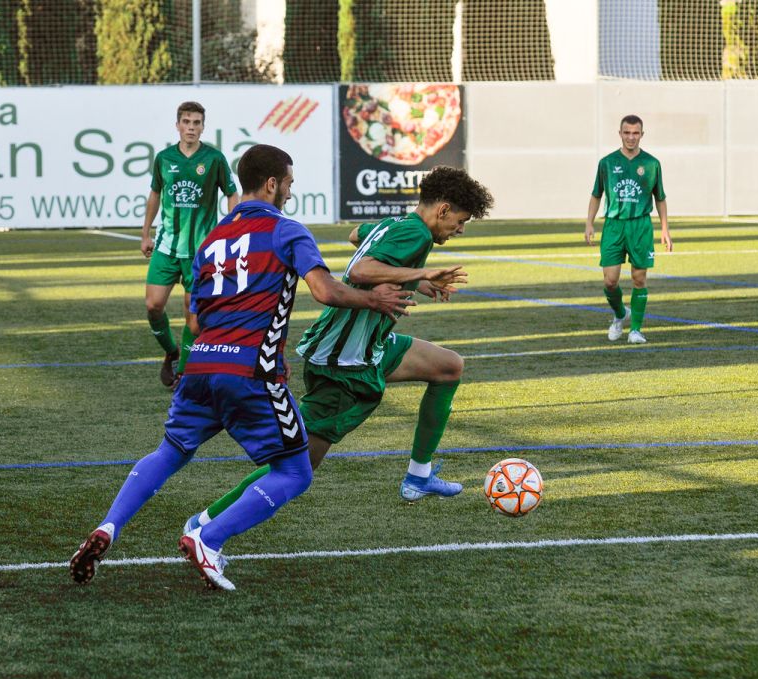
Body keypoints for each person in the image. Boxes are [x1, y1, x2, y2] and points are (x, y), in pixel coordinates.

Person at [70, 144, 415, 591]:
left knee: (170, 452)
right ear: (272, 183)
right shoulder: (287, 230)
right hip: (250, 371)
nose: (290, 192)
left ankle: (108, 527)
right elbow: (325, 291)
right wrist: (374, 298)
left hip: (198, 368)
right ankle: (208, 538)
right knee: (295, 472)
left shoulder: (212, 238)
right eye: (288, 184)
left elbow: (194, 317)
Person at [181, 166, 494, 534]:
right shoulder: (417, 235)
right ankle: (203, 524)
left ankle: (418, 476)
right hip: (344, 361)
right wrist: (420, 274)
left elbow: (355, 234)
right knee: (297, 466)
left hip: (369, 346)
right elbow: (361, 269)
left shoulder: (397, 222)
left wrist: (411, 277)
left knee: (448, 367)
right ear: (442, 209)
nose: (459, 230)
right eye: (460, 221)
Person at [142, 101, 239, 389]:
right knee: (153, 306)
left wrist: (232, 226)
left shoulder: (214, 158)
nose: (191, 128)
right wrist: (146, 233)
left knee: (193, 320)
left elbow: (232, 194)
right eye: (186, 122)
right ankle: (171, 352)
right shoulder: (164, 158)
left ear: (203, 127)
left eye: (196, 123)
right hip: (166, 247)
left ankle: (183, 372)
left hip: (201, 251)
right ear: (178, 125)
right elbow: (155, 195)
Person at [584, 114, 673, 344]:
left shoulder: (652, 164)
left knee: (639, 278)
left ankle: (635, 330)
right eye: (627, 132)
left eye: (635, 133)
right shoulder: (607, 162)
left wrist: (665, 229)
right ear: (620, 133)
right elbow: (596, 194)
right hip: (614, 225)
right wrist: (589, 223)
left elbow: (660, 198)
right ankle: (620, 314)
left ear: (642, 134)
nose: (631, 137)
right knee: (610, 281)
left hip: (640, 225)